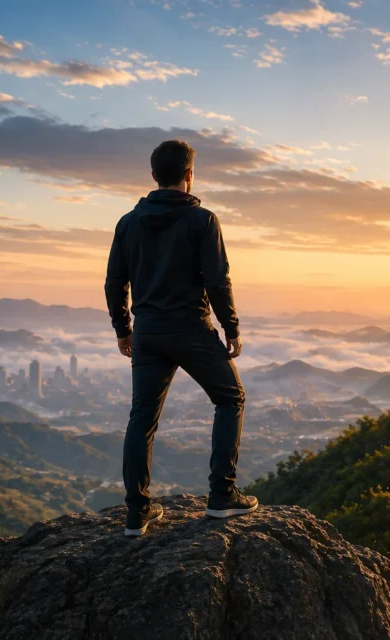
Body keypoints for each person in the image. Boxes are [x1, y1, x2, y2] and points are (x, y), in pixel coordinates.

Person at [105, 139, 257, 537]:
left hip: (149, 333)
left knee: (142, 419)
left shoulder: (127, 222)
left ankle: (137, 512)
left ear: (154, 175)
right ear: (190, 174)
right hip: (191, 329)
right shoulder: (203, 220)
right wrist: (232, 327)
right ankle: (222, 496)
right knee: (231, 398)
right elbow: (218, 280)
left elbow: (114, 282)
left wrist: (124, 330)